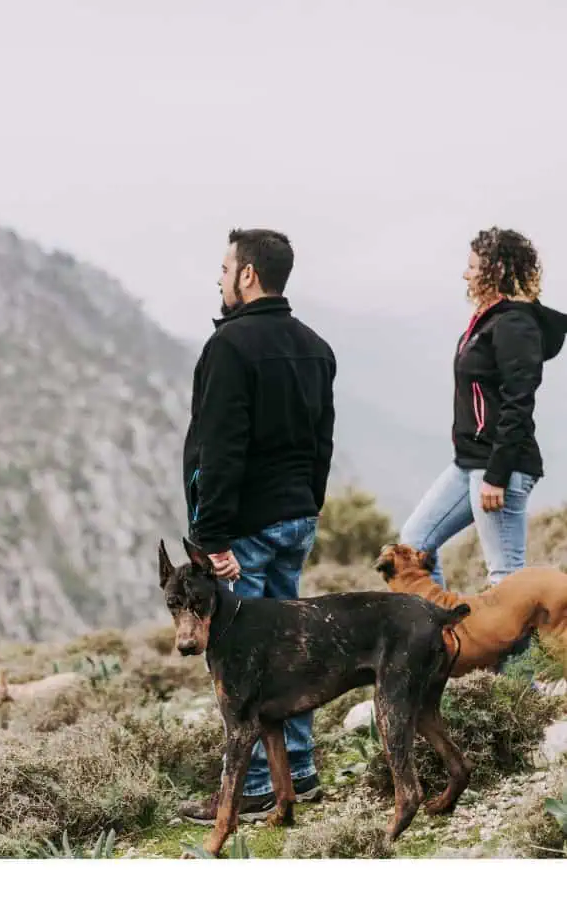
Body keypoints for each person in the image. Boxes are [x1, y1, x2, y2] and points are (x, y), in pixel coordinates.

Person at [178, 228, 336, 824]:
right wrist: (309, 503)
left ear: (248, 275)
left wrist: (212, 540)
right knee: (289, 650)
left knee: (240, 663)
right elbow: (322, 440)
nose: (219, 280)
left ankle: (247, 789)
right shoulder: (316, 347)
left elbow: (221, 449)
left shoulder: (230, 348)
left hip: (242, 529)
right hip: (295, 519)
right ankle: (297, 771)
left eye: (224, 269)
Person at [401, 227, 567, 667]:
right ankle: (446, 651)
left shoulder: (514, 324)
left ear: (495, 270)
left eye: (472, 266)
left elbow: (519, 401)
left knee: (507, 580)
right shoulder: (489, 318)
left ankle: (517, 688)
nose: (464, 274)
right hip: (469, 462)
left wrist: (497, 473)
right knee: (414, 544)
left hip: (500, 466)